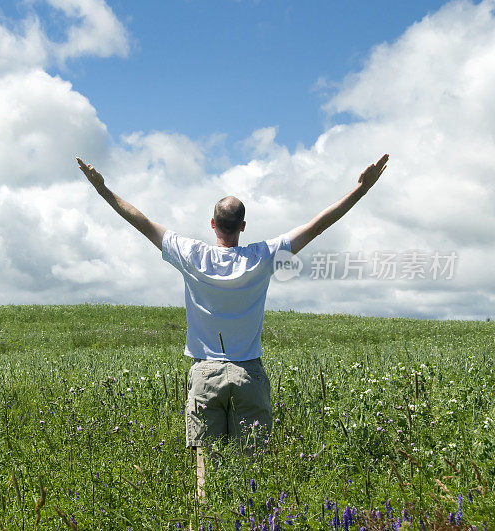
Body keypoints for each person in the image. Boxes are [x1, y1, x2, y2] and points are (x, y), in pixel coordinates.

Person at [76, 154, 389, 498]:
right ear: (243, 226)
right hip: (248, 374)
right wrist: (361, 189)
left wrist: (103, 189)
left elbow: (142, 222)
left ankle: (208, 516)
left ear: (212, 224)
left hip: (205, 374)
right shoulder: (262, 256)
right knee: (250, 476)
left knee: (205, 477)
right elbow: (317, 226)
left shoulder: (192, 254)